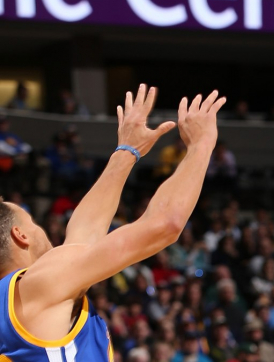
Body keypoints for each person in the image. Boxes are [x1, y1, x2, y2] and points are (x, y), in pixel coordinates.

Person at [0, 84, 226, 361]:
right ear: (20, 235)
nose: (41, 228)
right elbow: (165, 224)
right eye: (32, 222)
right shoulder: (38, 284)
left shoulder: (29, 297)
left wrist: (127, 150)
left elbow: (83, 235)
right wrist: (201, 145)